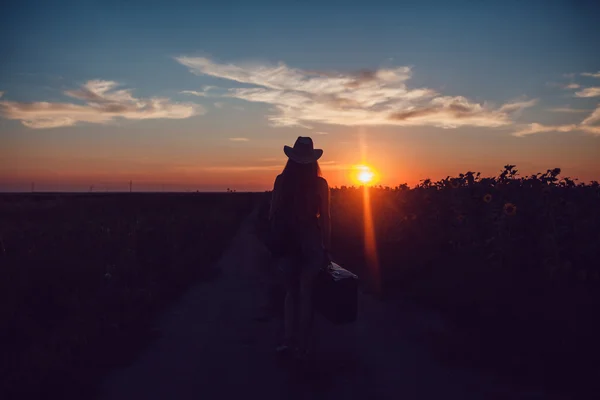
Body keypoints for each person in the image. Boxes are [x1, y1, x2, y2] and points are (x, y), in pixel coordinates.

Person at [268, 136, 331, 361]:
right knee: (306, 292)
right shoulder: (320, 184)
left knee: (290, 293)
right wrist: (327, 247)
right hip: (311, 241)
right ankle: (303, 346)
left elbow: (272, 212)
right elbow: (325, 218)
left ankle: (288, 341)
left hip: (286, 240)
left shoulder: (281, 180)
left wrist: (274, 240)